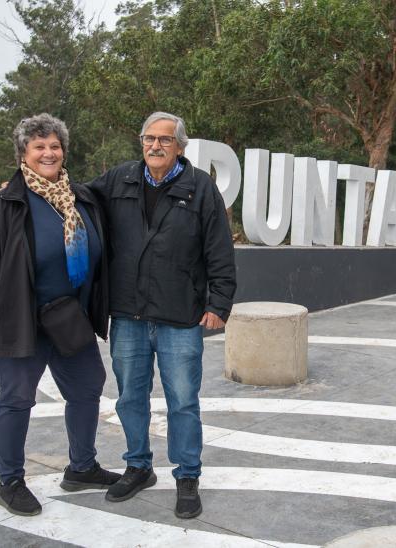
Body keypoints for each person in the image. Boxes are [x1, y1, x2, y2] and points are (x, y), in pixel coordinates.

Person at [0, 113, 119, 517]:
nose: (48, 153)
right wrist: (4, 306)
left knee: (87, 387)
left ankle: (82, 467)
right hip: (22, 325)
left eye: (55, 146)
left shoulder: (80, 197)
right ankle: (10, 482)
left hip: (70, 320)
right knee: (16, 400)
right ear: (23, 154)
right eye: (39, 147)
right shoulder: (4, 204)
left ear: (63, 151)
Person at [89, 112, 236, 519]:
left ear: (180, 146)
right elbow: (78, 198)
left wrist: (218, 304)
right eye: (148, 138)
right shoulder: (119, 180)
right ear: (141, 142)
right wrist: (34, 190)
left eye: (165, 140)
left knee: (183, 402)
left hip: (180, 316)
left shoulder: (202, 189)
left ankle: (187, 475)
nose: (155, 146)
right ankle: (138, 466)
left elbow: (220, 252)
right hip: (128, 315)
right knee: (130, 398)